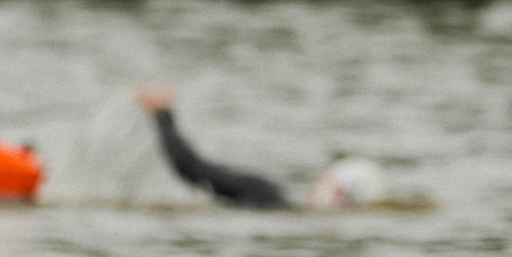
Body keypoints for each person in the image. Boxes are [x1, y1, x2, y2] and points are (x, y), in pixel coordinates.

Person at [133, 84, 386, 211]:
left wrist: (163, 114)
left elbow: (191, 168)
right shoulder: (271, 200)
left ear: (335, 190)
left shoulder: (265, 195)